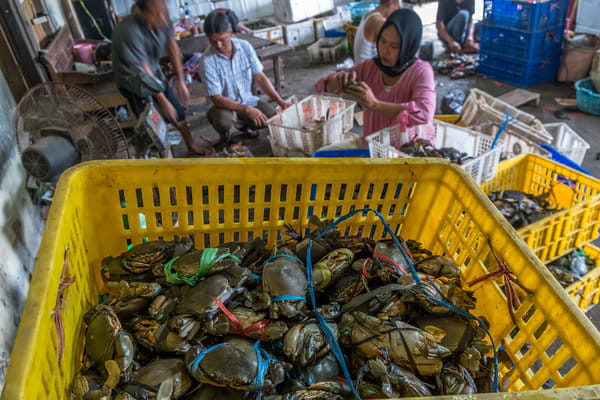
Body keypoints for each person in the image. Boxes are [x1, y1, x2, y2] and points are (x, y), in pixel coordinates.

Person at [112, 0, 214, 155]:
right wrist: (163, 101)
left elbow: (172, 46)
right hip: (133, 81)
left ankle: (191, 145)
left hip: (154, 73)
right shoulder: (128, 30)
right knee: (152, 124)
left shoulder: (162, 20)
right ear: (142, 12)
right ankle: (159, 158)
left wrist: (181, 81)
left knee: (178, 113)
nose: (163, 18)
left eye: (164, 13)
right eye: (157, 14)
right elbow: (143, 72)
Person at [316, 9, 436, 138]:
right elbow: (321, 85)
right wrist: (337, 81)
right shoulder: (370, 67)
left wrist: (374, 104)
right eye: (382, 41)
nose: (385, 51)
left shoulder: (422, 72)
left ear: (409, 47)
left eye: (394, 47)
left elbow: (424, 112)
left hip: (407, 152)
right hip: (372, 147)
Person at [201, 11, 291, 146]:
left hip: (247, 100)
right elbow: (217, 99)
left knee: (271, 118)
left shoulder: (244, 46)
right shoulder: (207, 61)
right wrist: (247, 110)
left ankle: (244, 127)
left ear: (231, 32)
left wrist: (280, 101)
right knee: (223, 121)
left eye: (222, 40)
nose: (218, 45)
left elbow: (260, 77)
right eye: (213, 41)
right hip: (223, 107)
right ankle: (225, 137)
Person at [353, 0, 401, 64]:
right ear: (391, 2)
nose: (396, 12)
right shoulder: (378, 21)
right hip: (366, 70)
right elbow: (397, 43)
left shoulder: (369, 14)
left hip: (361, 65)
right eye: (397, 8)